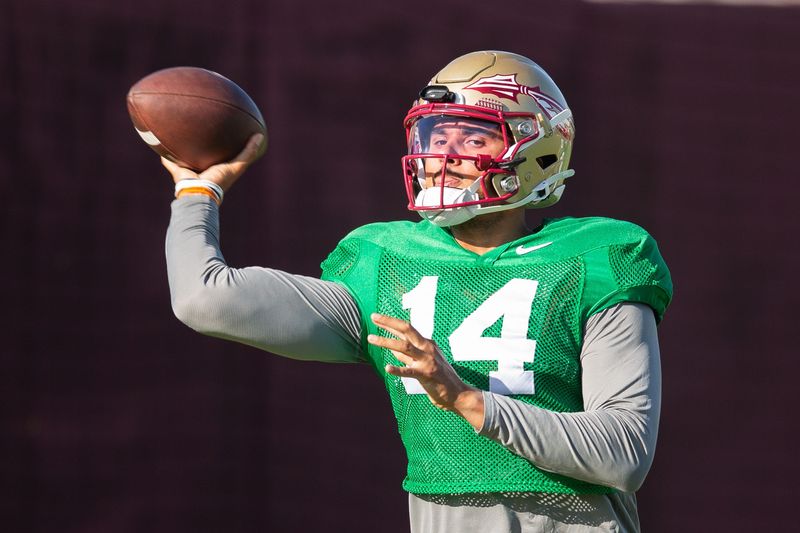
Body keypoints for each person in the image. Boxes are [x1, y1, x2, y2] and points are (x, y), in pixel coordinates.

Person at [163, 50, 672, 532]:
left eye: (473, 139)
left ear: (535, 151)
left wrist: (468, 401)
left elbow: (623, 453)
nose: (441, 157)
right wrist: (197, 193)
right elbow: (202, 299)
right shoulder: (385, 261)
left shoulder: (595, 256)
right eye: (433, 136)